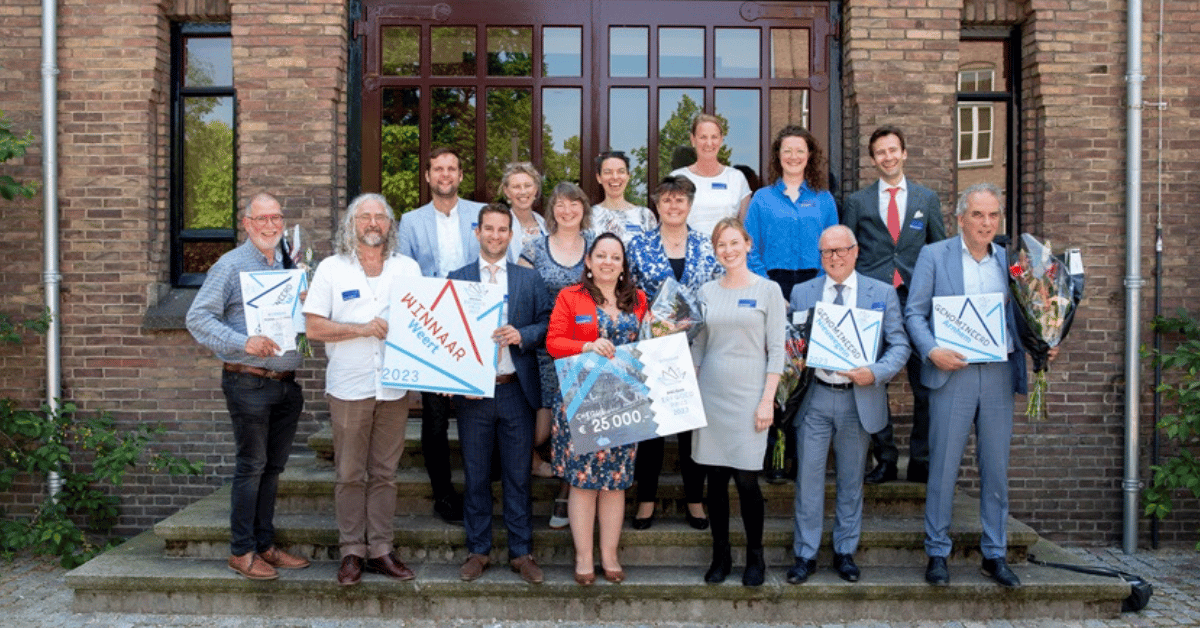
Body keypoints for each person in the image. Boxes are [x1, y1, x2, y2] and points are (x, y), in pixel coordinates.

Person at [906, 183, 1049, 589]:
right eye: (978, 215)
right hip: (953, 371)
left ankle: (995, 553)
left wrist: (1043, 344)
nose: (986, 223)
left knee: (996, 470)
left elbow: (1027, 319)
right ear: (960, 217)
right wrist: (932, 351)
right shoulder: (935, 255)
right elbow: (914, 314)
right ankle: (937, 552)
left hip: (999, 373)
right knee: (944, 467)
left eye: (993, 216)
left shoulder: (1010, 262)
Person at [185, 192, 310, 580]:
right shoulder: (230, 265)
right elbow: (197, 318)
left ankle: (264, 545)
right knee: (252, 466)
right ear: (247, 223)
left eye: (276, 218)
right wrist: (244, 342)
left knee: (272, 469)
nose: (271, 226)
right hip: (249, 381)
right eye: (262, 219)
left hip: (286, 385)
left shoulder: (290, 262)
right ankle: (241, 551)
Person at [302, 193, 422, 586]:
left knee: (385, 472)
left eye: (380, 217)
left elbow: (426, 325)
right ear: (351, 224)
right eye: (365, 216)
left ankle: (381, 550)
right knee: (350, 472)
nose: (373, 223)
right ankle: (352, 550)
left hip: (395, 387)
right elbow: (314, 327)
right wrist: (362, 329)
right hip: (349, 386)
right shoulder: (332, 269)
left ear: (390, 225)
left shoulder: (409, 268)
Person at [785, 225, 910, 585]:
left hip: (859, 399)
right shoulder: (803, 291)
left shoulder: (881, 293)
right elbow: (792, 343)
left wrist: (876, 372)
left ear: (855, 252)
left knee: (851, 480)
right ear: (819, 255)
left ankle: (844, 552)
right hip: (816, 397)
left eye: (841, 250)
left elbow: (899, 344)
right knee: (808, 480)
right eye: (826, 252)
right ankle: (805, 554)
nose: (834, 258)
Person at [449, 204, 552, 585]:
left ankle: (521, 552)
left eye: (502, 230)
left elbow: (546, 323)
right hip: (473, 395)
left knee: (518, 476)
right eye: (488, 229)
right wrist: (458, 381)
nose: (495, 235)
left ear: (511, 235)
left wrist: (522, 334)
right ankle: (478, 551)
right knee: (475, 476)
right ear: (477, 232)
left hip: (515, 391)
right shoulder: (456, 279)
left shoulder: (527, 279)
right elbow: (446, 339)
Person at [842, 125, 947, 485]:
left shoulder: (926, 199)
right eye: (880, 152)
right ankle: (884, 458)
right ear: (873, 159)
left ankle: (921, 460)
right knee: (874, 383)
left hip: (918, 301)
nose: (887, 157)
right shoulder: (857, 202)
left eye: (893, 150)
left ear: (904, 153)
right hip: (874, 301)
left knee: (926, 384)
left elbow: (939, 250)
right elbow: (848, 252)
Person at [546, 233, 648, 586]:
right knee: (584, 483)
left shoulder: (638, 300)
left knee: (615, 484)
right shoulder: (570, 297)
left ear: (623, 266)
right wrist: (587, 345)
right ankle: (584, 558)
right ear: (588, 261)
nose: (607, 261)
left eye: (615, 257)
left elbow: (650, 344)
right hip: (582, 401)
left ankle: (610, 555)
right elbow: (553, 342)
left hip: (624, 403)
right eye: (600, 255)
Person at [690, 217, 786, 587]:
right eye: (720, 246)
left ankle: (755, 556)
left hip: (750, 397)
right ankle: (721, 554)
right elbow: (699, 344)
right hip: (711, 393)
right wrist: (690, 394)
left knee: (747, 481)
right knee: (714, 481)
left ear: (747, 244)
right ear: (715, 252)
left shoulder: (768, 290)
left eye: (733, 243)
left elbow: (776, 350)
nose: (727, 250)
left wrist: (767, 401)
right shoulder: (707, 291)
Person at [625, 175, 721, 531]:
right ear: (657, 205)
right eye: (666, 200)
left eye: (680, 200)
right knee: (651, 430)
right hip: (652, 346)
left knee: (690, 427)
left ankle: (695, 500)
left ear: (690, 205)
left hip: (696, 347)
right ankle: (646, 501)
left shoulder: (706, 246)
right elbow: (628, 292)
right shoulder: (639, 246)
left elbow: (716, 290)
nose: (673, 206)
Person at [397, 146, 485, 524]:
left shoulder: (480, 214)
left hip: (475, 319)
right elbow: (404, 271)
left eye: (452, 168)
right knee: (434, 416)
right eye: (438, 169)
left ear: (461, 175)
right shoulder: (410, 221)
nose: (445, 175)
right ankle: (443, 494)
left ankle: (480, 487)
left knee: (475, 409)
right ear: (429, 176)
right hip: (431, 325)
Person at [518, 182, 596, 528]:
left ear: (583, 208)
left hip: (585, 349)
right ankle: (532, 463)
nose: (567, 211)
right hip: (543, 348)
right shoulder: (534, 249)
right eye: (560, 205)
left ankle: (566, 497)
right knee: (541, 426)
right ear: (551, 210)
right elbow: (518, 295)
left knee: (579, 425)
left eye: (574, 204)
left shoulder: (597, 245)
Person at [745, 124, 839, 303]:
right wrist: (767, 287)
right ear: (778, 155)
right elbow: (749, 247)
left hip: (817, 283)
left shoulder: (824, 199)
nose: (793, 157)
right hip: (770, 282)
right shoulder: (761, 198)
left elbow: (834, 247)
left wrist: (820, 285)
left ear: (809, 155)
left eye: (800, 151)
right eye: (787, 151)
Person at [670, 113, 751, 237]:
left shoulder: (736, 178)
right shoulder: (677, 178)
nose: (709, 143)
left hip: (727, 254)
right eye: (703, 137)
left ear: (721, 140)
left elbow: (745, 230)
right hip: (688, 254)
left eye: (714, 137)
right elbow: (667, 227)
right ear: (693, 140)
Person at [591, 150, 657, 244]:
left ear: (628, 176)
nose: (615, 177)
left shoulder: (645, 216)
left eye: (621, 171)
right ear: (599, 178)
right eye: (608, 172)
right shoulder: (589, 216)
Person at [499, 162, 547, 263]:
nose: (523, 191)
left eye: (528, 185)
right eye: (516, 187)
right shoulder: (499, 226)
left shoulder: (546, 225)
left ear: (536, 189)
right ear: (507, 191)